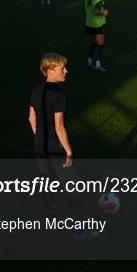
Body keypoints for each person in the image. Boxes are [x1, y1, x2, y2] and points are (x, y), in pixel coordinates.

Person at [29, 53, 98, 241]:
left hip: (39, 146)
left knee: (46, 183)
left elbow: (31, 118)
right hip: (55, 148)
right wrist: (68, 151)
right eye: (62, 68)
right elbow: (59, 127)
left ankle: (51, 222)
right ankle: (78, 232)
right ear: (50, 70)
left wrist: (40, 136)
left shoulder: (36, 89)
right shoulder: (58, 93)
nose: (66, 71)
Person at [84, 0, 109, 72]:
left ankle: (89, 61)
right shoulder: (97, 0)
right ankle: (98, 65)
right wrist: (104, 13)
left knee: (93, 44)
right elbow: (96, 12)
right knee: (100, 45)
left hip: (88, 25)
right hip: (97, 25)